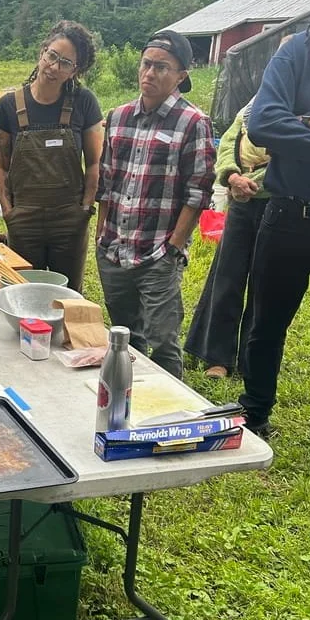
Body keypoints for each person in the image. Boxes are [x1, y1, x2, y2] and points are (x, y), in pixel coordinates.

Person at [239, 0, 310, 480]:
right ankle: (254, 414)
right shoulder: (297, 49)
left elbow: (285, 125)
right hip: (287, 213)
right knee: (264, 325)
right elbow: (264, 121)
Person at [95, 30, 216, 379]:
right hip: (115, 249)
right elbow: (107, 182)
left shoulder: (194, 122)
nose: (150, 73)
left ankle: (168, 418)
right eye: (146, 64)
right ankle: (129, 400)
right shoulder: (118, 117)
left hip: (157, 253)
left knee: (163, 342)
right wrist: (102, 237)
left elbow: (198, 193)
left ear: (181, 76)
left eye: (161, 67)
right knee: (124, 337)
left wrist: (174, 247)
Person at [0, 20, 103, 292]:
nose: (54, 67)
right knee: (24, 293)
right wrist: (9, 212)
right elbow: (1, 166)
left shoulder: (83, 102)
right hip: (24, 219)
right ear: (42, 52)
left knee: (68, 296)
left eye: (65, 63)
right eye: (52, 56)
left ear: (75, 70)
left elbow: (95, 163)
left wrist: (85, 210)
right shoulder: (9, 106)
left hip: (69, 219)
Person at [184, 97, 271, 378]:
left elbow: (295, 156)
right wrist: (232, 176)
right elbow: (230, 141)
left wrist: (255, 181)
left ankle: (251, 359)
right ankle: (216, 357)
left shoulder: (305, 106)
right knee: (226, 275)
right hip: (240, 199)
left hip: (280, 201)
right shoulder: (252, 106)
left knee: (266, 282)